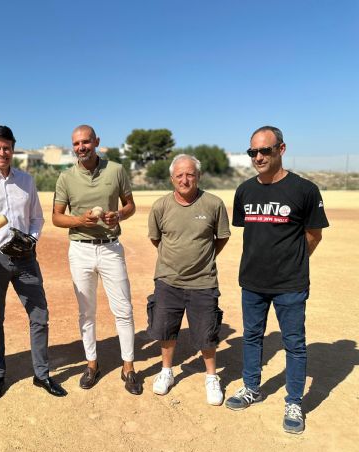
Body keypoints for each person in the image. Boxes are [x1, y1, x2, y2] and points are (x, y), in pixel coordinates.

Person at [225, 126, 329, 434]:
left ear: (281, 150)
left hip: (290, 285)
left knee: (294, 344)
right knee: (252, 337)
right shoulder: (244, 191)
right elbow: (253, 235)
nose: (258, 157)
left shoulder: (304, 190)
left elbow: (314, 234)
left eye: (265, 151)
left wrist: (293, 262)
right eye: (252, 152)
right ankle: (251, 388)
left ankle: (294, 402)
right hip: (252, 282)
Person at [0, 125, 67, 399]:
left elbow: (37, 218)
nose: (2, 153)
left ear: (13, 149)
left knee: (39, 316)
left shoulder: (26, 181)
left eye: (6, 148)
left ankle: (41, 375)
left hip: (25, 258)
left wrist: (31, 239)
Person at [52, 125, 141, 395]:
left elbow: (130, 204)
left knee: (123, 309)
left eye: (86, 142)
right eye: (77, 143)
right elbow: (57, 217)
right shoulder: (66, 177)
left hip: (111, 247)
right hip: (80, 249)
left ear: (96, 142)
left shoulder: (115, 170)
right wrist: (80, 220)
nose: (82, 147)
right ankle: (92, 364)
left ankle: (129, 367)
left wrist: (120, 215)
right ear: (73, 147)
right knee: (86, 312)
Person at [146, 154, 230, 405]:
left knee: (207, 333)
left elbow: (222, 237)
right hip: (167, 280)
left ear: (199, 176)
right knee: (166, 329)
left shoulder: (213, 204)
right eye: (180, 175)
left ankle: (211, 377)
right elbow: (156, 239)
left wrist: (203, 258)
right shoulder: (161, 206)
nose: (185, 179)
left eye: (190, 174)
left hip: (203, 281)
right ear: (172, 178)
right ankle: (166, 371)